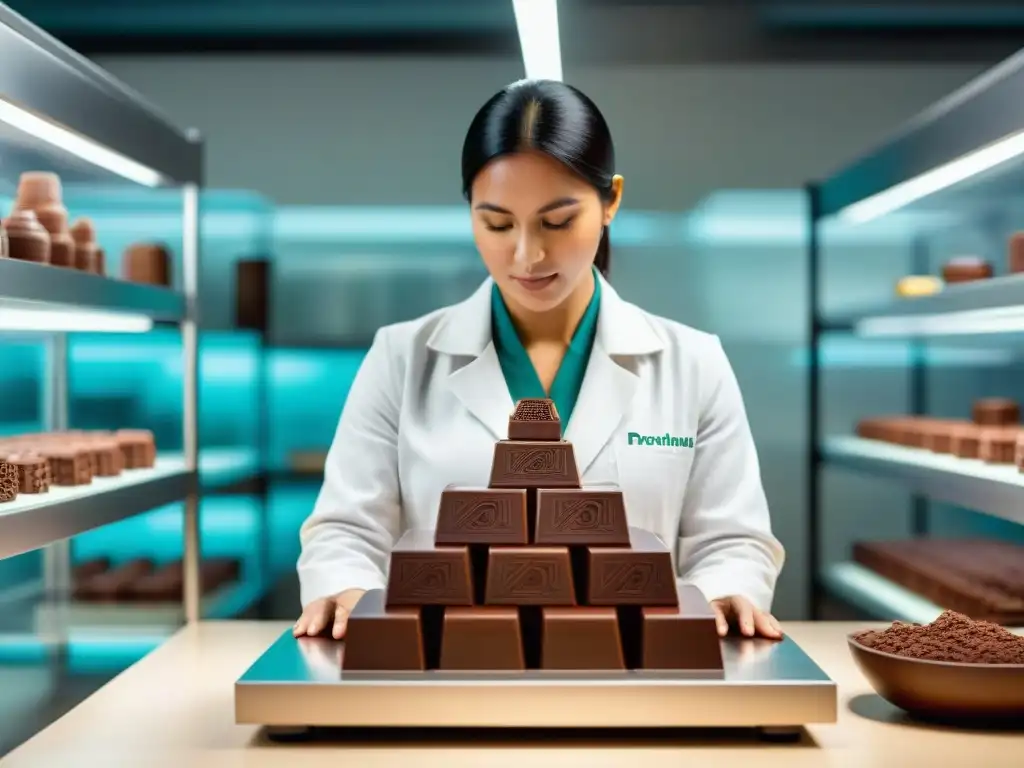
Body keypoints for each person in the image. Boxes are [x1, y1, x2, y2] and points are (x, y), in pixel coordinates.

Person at [294, 79, 785, 642]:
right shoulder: (401, 358)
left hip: (637, 675)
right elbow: (346, 530)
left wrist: (728, 588)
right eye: (497, 224)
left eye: (557, 221)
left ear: (611, 201)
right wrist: (347, 585)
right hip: (449, 672)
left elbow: (732, 539)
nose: (527, 255)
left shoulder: (693, 363)